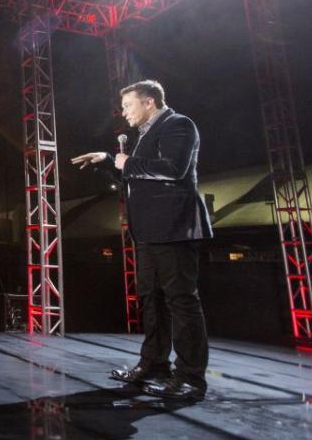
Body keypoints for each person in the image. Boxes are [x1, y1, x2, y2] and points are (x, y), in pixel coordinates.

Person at [71, 79, 212, 401]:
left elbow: (174, 169)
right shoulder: (143, 136)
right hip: (149, 230)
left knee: (181, 300)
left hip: (175, 228)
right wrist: (107, 160)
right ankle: (154, 365)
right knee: (152, 299)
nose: (123, 113)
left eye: (128, 106)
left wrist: (126, 162)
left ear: (149, 102)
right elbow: (133, 176)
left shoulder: (178, 125)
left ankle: (190, 377)